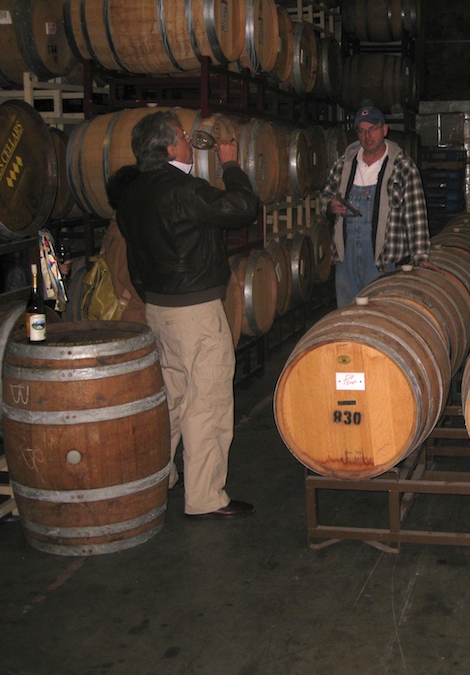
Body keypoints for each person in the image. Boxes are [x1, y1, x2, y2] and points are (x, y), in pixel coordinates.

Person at [114, 110, 260, 519]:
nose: (187, 138)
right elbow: (243, 207)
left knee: (172, 401)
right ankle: (205, 497)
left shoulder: (132, 194)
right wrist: (231, 165)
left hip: (159, 310)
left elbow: (135, 258)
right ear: (169, 147)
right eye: (181, 134)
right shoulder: (183, 190)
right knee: (207, 402)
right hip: (195, 312)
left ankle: (159, 478)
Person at [320, 106, 432, 307]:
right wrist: (330, 205)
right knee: (347, 316)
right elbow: (323, 199)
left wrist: (420, 256)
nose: (367, 136)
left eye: (372, 129)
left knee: (380, 316)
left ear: (384, 130)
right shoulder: (344, 165)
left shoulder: (402, 167)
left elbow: (416, 215)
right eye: (362, 130)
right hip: (346, 261)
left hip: (383, 262)